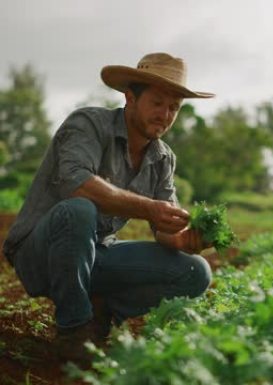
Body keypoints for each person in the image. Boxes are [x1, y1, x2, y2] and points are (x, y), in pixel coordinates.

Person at [2, 52, 214, 361]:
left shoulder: (163, 158)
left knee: (196, 272)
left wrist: (180, 239)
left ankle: (102, 310)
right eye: (157, 103)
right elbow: (76, 183)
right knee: (80, 209)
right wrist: (150, 208)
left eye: (174, 108)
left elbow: (164, 227)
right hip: (39, 254)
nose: (165, 115)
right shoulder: (88, 123)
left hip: (95, 255)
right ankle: (74, 330)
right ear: (130, 98)